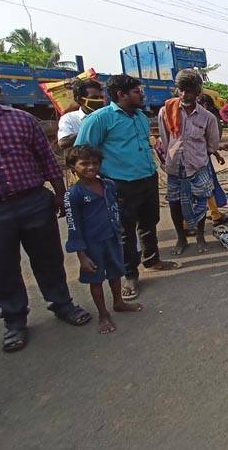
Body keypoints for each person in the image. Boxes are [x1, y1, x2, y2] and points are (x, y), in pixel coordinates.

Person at [0, 82, 91, 352]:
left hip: (33, 200)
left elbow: (47, 160)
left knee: (48, 257)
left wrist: (60, 193)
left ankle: (62, 304)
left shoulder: (21, 120)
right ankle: (14, 321)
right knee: (2, 267)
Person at [76, 74, 178, 301]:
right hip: (119, 185)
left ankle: (152, 260)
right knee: (125, 232)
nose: (142, 94)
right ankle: (130, 275)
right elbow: (82, 154)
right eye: (136, 91)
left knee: (149, 223)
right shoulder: (99, 119)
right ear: (121, 95)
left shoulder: (140, 117)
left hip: (147, 180)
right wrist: (94, 185)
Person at [64, 146, 142, 334]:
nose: (91, 167)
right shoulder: (73, 194)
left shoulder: (109, 185)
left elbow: (115, 207)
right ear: (73, 167)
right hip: (92, 245)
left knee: (116, 273)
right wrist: (82, 256)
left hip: (112, 239)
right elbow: (73, 226)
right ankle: (103, 314)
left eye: (95, 163)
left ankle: (118, 302)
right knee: (96, 280)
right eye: (84, 164)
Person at [158, 69, 224, 255]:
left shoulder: (208, 117)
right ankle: (181, 238)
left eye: (188, 90)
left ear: (197, 92)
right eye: (181, 90)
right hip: (175, 167)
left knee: (201, 203)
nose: (184, 94)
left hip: (198, 167)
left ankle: (200, 236)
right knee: (174, 203)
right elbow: (165, 140)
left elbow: (212, 145)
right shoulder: (166, 111)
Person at [57, 78, 106, 151]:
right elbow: (63, 143)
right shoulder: (69, 118)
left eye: (101, 97)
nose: (99, 100)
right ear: (79, 100)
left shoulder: (108, 116)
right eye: (94, 98)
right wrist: (92, 130)